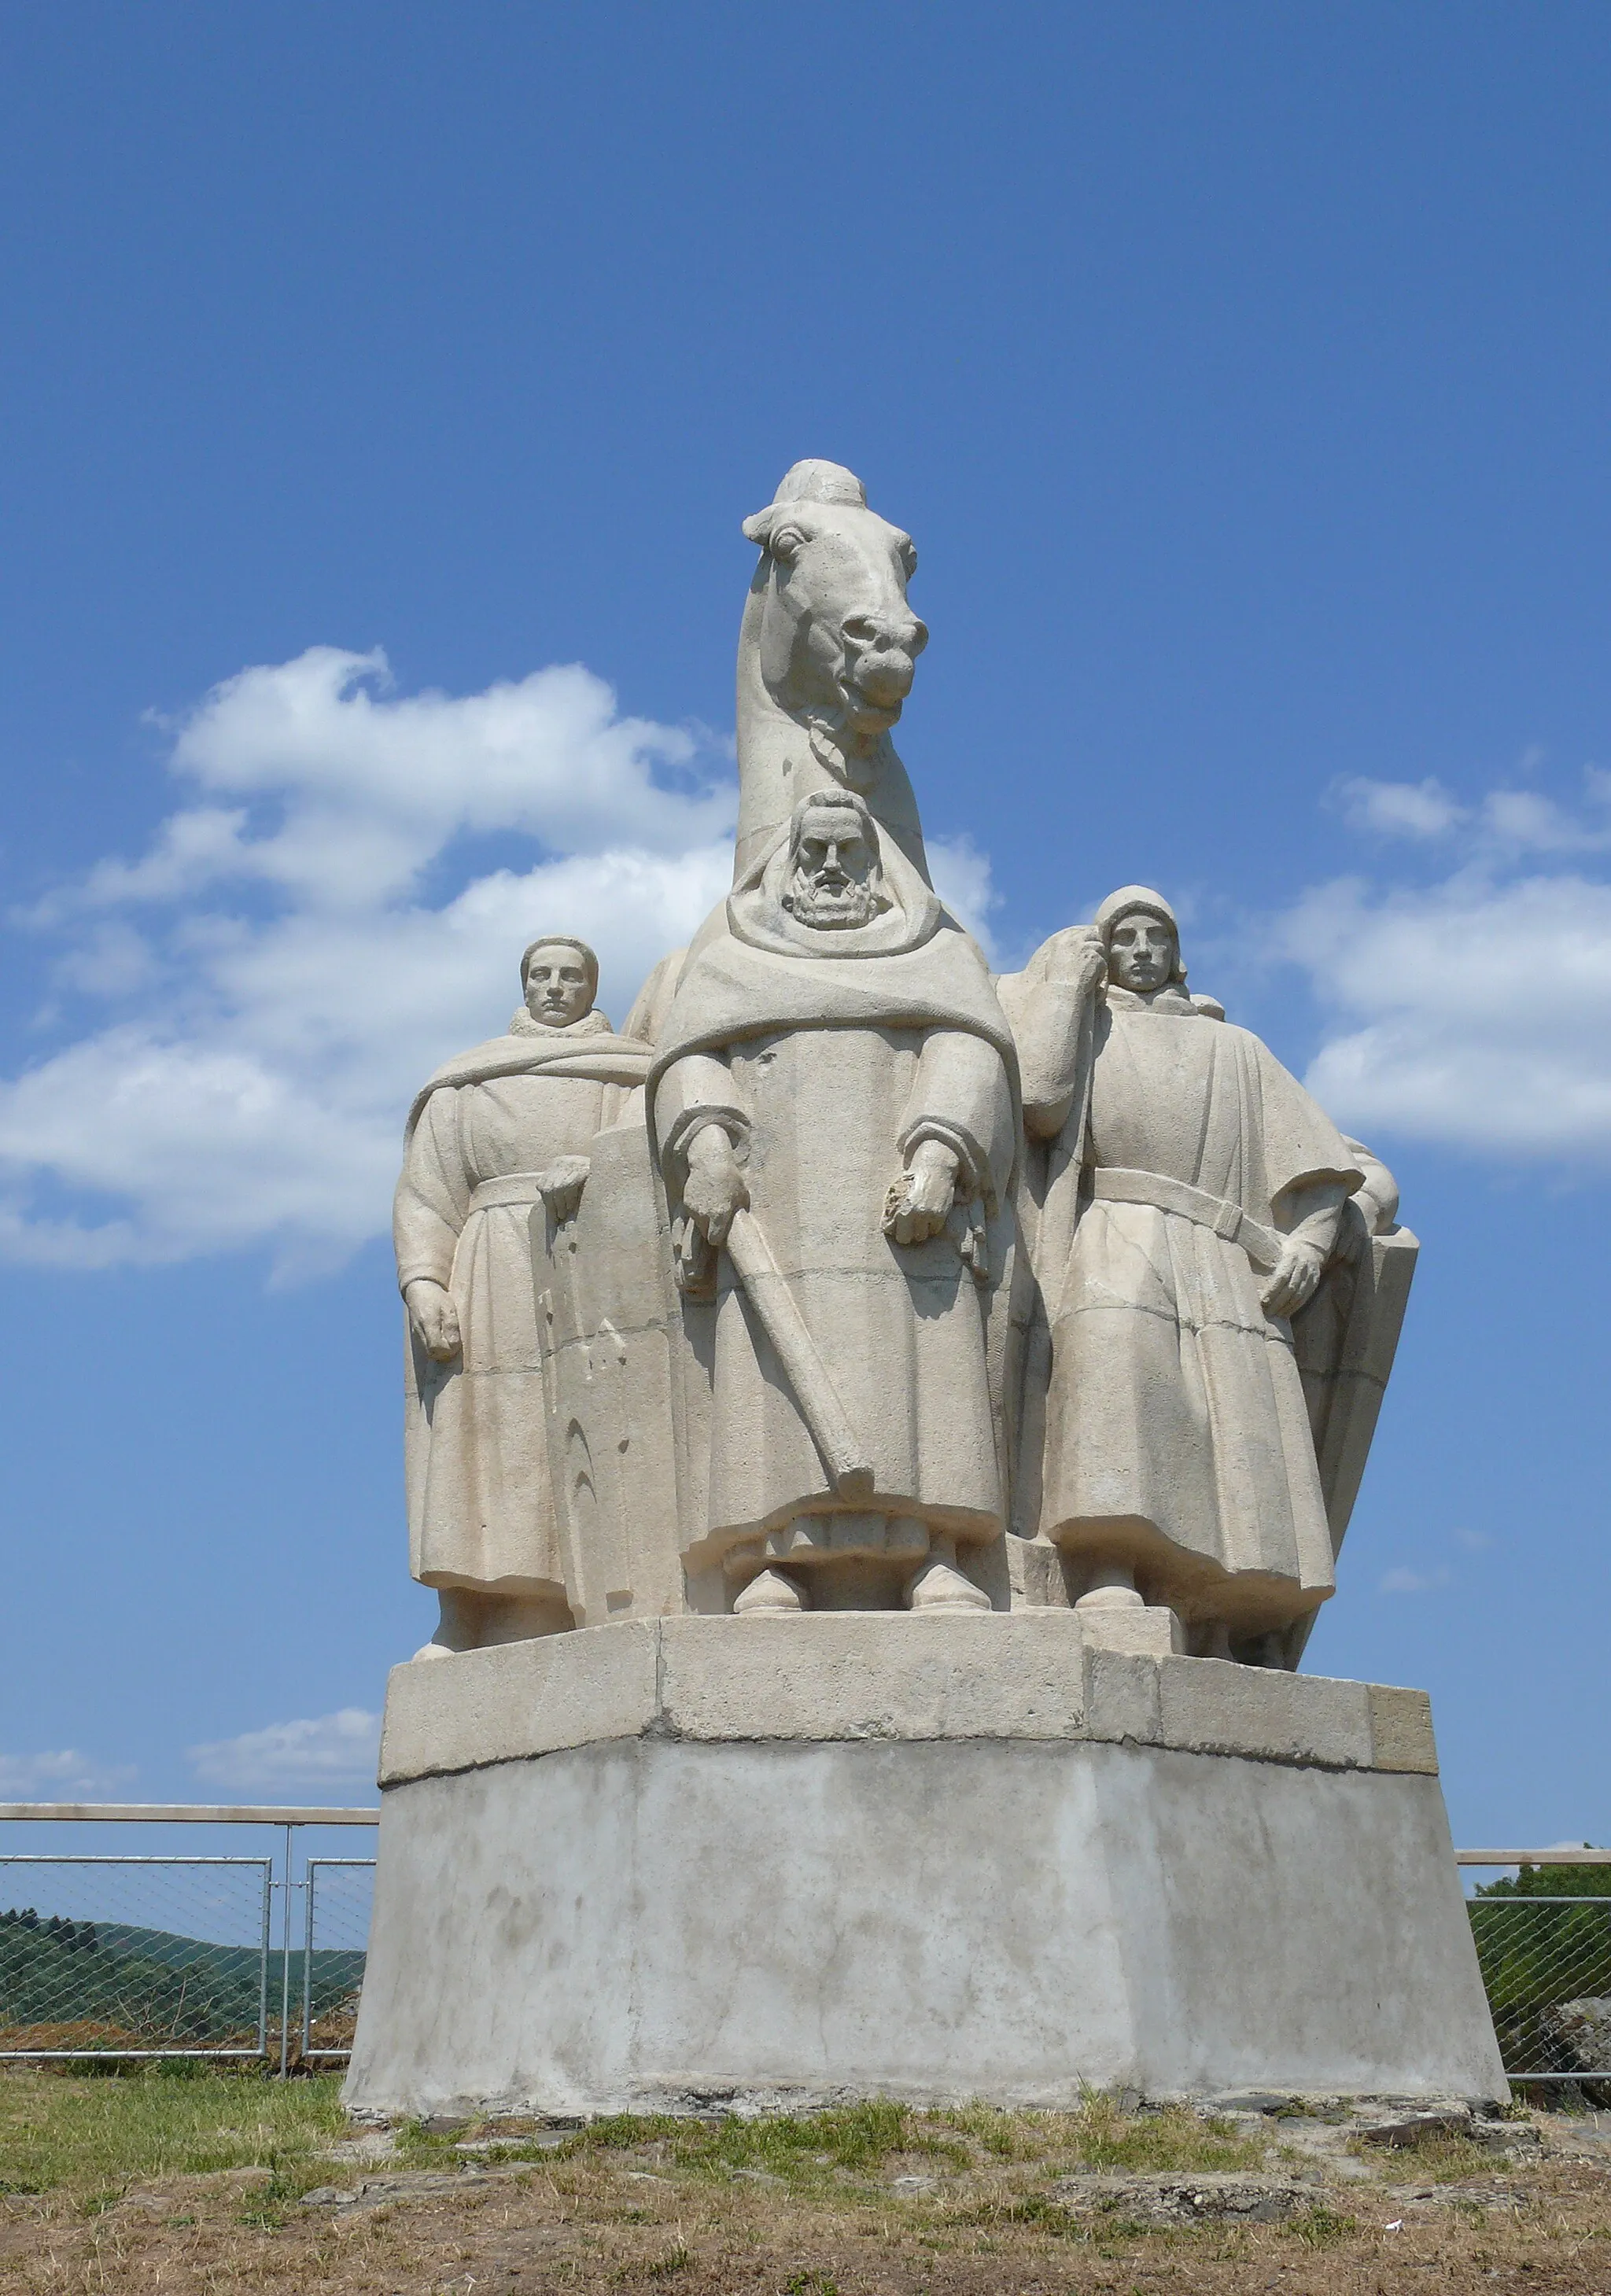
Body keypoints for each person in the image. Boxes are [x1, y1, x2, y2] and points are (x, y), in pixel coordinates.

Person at [648, 790, 1018, 1613]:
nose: (827, 869)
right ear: (784, 866)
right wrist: (705, 1147)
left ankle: (936, 1556)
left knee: (925, 1375)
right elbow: (686, 1062)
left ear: (875, 866)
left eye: (846, 853)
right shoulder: (730, 960)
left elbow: (969, 1049)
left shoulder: (935, 954)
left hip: (900, 1208)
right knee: (763, 1381)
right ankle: (769, 1562)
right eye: (811, 853)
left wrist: (941, 1150)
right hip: (772, 1203)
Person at [1008, 888, 1362, 1660]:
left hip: (1219, 1253)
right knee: (1113, 1389)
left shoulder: (1235, 1049)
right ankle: (1106, 1569)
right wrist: (1064, 987)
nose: (1140, 950)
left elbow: (1324, 1166)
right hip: (1116, 1228)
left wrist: (1309, 1241)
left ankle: (1221, 1615)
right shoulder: (1087, 1030)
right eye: (1123, 937)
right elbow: (1037, 1102)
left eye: (1155, 936)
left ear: (1176, 951)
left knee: (1225, 1434)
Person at [393, 937, 650, 1653]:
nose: (556, 987)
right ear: (524, 986)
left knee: (586, 1434)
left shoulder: (631, 1072)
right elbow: (424, 1195)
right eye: (542, 975)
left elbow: (656, 1144)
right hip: (486, 1270)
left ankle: (587, 1598)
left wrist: (602, 1163)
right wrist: (423, 1280)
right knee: (476, 1436)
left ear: (592, 988)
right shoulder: (466, 1083)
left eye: (572, 976)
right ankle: (465, 1610)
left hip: (590, 1261)